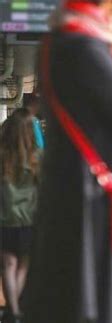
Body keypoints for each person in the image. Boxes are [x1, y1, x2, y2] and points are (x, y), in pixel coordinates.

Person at [22, 1, 112, 322]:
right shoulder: (83, 46)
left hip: (68, 187)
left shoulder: (56, 40)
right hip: (88, 198)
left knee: (63, 294)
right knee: (85, 299)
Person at [0, 108, 41, 323]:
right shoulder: (38, 158)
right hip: (29, 220)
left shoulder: (2, 157)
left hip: (5, 219)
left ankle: (12, 311)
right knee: (23, 266)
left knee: (7, 265)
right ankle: (15, 311)